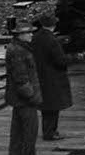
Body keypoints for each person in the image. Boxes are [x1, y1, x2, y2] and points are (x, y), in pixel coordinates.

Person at [30, 13, 72, 141]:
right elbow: (60, 61)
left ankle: (47, 131)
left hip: (39, 75)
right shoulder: (52, 40)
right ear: (53, 25)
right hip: (53, 77)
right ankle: (50, 133)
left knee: (46, 107)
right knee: (53, 106)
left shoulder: (35, 38)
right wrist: (71, 59)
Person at [5, 26, 43, 155]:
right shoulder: (19, 52)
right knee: (29, 128)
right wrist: (31, 95)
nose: (31, 35)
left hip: (18, 98)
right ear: (20, 35)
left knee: (18, 129)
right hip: (23, 98)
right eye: (28, 33)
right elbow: (21, 78)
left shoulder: (19, 48)